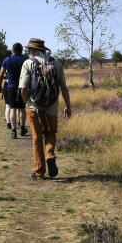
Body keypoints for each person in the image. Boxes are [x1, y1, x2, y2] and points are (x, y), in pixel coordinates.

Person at [19, 38, 72, 179]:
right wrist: (68, 106)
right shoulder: (56, 63)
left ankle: (39, 171)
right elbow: (64, 88)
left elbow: (23, 89)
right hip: (52, 107)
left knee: (37, 139)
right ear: (43, 50)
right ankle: (50, 154)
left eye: (29, 49)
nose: (28, 51)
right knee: (50, 133)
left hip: (34, 107)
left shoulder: (28, 63)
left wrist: (26, 104)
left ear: (33, 50)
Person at [0, 43, 28, 139]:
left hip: (10, 87)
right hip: (22, 87)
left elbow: (1, 74)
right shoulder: (25, 60)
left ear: (12, 50)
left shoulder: (7, 60)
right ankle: (22, 128)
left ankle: (14, 131)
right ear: (21, 50)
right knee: (22, 108)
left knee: (13, 108)